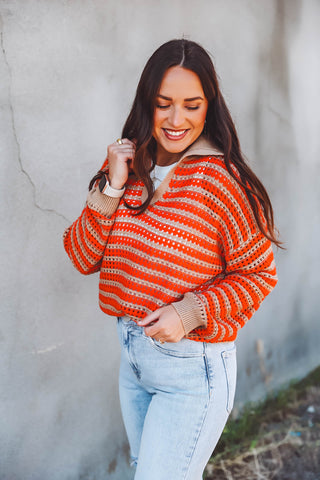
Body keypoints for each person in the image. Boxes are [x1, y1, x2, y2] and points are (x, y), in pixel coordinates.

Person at [63, 39, 279, 480]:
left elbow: (258, 274)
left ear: (209, 107)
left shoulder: (222, 180)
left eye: (192, 105)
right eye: (164, 104)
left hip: (192, 371)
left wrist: (189, 312)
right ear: (148, 103)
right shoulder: (129, 167)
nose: (176, 120)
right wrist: (113, 187)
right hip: (134, 365)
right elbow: (82, 256)